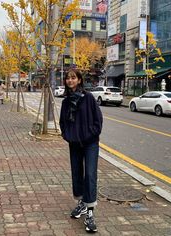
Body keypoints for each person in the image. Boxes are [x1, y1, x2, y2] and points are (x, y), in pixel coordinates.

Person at [59, 69, 103, 233]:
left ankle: (90, 212)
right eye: (68, 78)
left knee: (90, 174)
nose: (70, 80)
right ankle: (82, 203)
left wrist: (91, 134)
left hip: (90, 143)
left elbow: (98, 120)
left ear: (79, 80)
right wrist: (67, 135)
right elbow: (62, 122)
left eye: (73, 78)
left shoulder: (88, 98)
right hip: (74, 143)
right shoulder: (66, 102)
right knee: (77, 173)